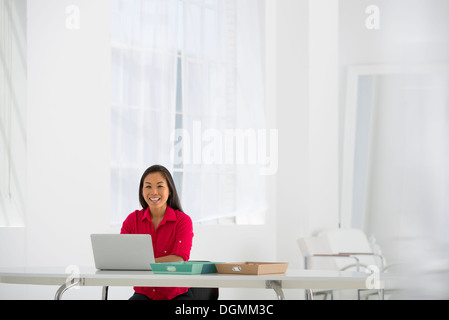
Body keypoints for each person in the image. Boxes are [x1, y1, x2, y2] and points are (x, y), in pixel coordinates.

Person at [120, 165, 194, 300]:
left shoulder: (183, 221)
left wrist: (143, 263)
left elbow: (180, 259)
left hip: (176, 294)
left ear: (170, 190)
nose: (154, 192)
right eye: (148, 186)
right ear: (142, 191)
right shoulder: (132, 220)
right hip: (144, 293)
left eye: (160, 186)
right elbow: (124, 257)